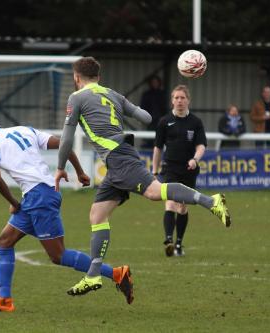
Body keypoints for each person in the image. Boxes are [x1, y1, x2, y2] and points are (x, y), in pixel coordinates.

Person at [55, 57, 231, 297]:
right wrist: (121, 110)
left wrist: (60, 167)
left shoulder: (76, 98)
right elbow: (146, 118)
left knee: (154, 192)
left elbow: (66, 138)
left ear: (77, 78)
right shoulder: (114, 94)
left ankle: (212, 202)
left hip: (119, 158)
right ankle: (93, 275)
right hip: (117, 160)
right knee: (97, 214)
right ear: (99, 77)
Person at [0, 119, 134, 312]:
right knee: (5, 241)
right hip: (41, 194)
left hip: (38, 199)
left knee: (58, 255)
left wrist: (13, 203)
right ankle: (4, 300)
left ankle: (117, 274)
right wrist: (80, 171)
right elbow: (63, 144)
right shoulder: (24, 129)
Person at [151, 85, 208, 257]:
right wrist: (154, 171)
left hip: (188, 169)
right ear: (172, 100)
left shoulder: (196, 122)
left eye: (182, 97)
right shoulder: (164, 122)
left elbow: (201, 146)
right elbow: (158, 148)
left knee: (183, 207)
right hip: (170, 168)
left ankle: (178, 244)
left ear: (188, 100)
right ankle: (168, 240)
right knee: (170, 202)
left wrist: (195, 159)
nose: (179, 101)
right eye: (176, 98)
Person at [140, 75, 167, 148]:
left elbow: (165, 108)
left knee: (160, 138)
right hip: (149, 120)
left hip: (160, 120)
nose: (155, 84)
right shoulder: (146, 94)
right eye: (153, 82)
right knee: (149, 139)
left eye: (156, 82)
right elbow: (142, 107)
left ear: (159, 83)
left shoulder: (163, 94)